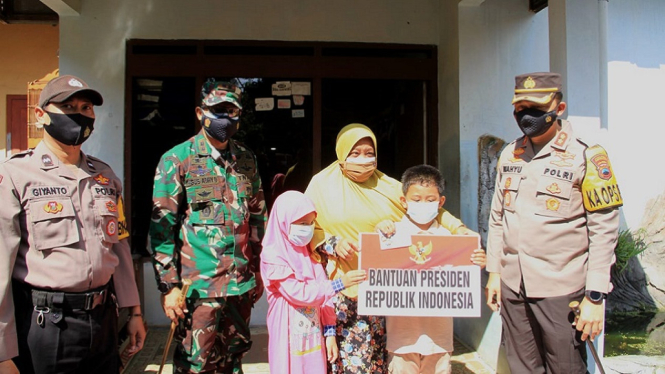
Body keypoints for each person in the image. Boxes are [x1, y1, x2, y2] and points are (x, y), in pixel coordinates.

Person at [0, 74, 146, 374]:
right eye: (68, 107)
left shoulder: (105, 176)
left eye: (86, 108)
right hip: (48, 324)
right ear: (41, 115)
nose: (79, 115)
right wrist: (2, 352)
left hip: (103, 320)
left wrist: (134, 311)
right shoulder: (17, 175)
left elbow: (118, 245)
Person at [304, 123, 475, 373]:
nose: (364, 160)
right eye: (355, 153)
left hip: (391, 288)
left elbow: (429, 205)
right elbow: (307, 224)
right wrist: (333, 243)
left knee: (390, 360)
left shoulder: (389, 186)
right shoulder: (321, 185)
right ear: (341, 153)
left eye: (369, 152)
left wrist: (458, 229)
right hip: (347, 288)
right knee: (354, 362)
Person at [485, 72, 622, 373]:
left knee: (566, 368)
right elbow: (498, 218)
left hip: (561, 290)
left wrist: (595, 296)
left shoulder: (586, 157)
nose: (526, 115)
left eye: (535, 108)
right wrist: (494, 272)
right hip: (513, 287)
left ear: (559, 109)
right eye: (520, 108)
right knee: (522, 367)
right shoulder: (510, 153)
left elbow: (604, 232)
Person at [150, 78, 267, 374]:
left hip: (239, 286)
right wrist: (169, 286)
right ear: (201, 113)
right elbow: (162, 230)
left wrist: (258, 270)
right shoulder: (177, 159)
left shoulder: (246, 160)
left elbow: (257, 220)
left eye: (232, 111)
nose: (225, 118)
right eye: (218, 110)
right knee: (194, 364)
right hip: (198, 288)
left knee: (233, 359)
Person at [375, 165, 486, 374]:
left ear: (441, 202)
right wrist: (379, 231)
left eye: (430, 199)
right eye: (416, 200)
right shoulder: (391, 234)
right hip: (402, 340)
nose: (423, 205)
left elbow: (464, 277)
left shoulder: (453, 239)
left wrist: (476, 260)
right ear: (403, 202)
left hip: (439, 340)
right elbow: (375, 262)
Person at [260, 190, 367, 374]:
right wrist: (339, 283)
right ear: (284, 222)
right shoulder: (273, 256)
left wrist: (330, 333)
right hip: (287, 335)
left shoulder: (308, 254)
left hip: (313, 336)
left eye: (311, 224)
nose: (307, 229)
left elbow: (325, 300)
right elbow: (298, 292)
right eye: (302, 223)